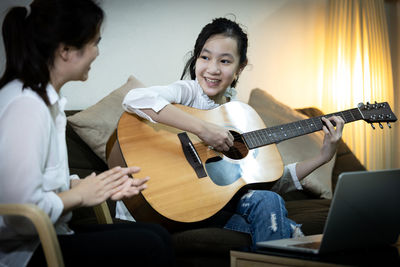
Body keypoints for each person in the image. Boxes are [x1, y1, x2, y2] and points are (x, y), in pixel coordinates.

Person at [121, 17, 345, 247]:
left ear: (240, 68)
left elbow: (268, 180)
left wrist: (323, 157)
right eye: (205, 57)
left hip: (214, 207)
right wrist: (203, 129)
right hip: (174, 200)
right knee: (280, 223)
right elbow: (134, 98)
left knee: (268, 200)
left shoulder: (240, 116)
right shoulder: (188, 93)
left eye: (225, 61)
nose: (213, 69)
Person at [0, 1, 174, 266]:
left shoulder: (44, 99)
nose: (96, 52)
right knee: (151, 245)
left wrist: (91, 186)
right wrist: (80, 195)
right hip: (25, 251)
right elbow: (22, 214)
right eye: (94, 42)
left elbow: (34, 182)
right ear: (66, 50)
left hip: (46, 236)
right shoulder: (27, 105)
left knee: (158, 235)